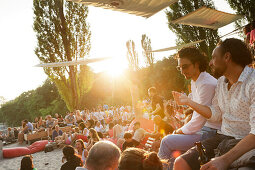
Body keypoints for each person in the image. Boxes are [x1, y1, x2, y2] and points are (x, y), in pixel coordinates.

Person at [174, 38, 255, 170]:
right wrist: (188, 102)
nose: (210, 63)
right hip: (223, 138)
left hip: (246, 143)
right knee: (180, 163)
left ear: (227, 57)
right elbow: (216, 115)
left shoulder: (253, 83)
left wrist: (224, 160)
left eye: (213, 57)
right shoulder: (221, 83)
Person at [158, 47, 221, 166]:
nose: (181, 71)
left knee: (166, 141)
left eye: (185, 66)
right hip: (203, 130)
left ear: (197, 64)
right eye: (179, 67)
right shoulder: (195, 81)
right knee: (173, 156)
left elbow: (199, 120)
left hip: (210, 132)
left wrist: (179, 131)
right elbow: (197, 113)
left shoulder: (206, 83)